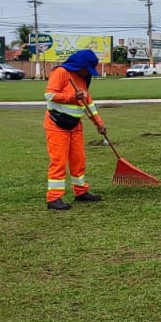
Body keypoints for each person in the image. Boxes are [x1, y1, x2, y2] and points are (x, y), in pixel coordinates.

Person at [43, 49, 108, 210]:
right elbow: (50, 96)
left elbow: (88, 104)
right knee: (58, 161)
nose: (87, 72)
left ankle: (81, 192)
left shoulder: (83, 79)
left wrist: (99, 123)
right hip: (57, 124)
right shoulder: (61, 72)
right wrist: (73, 97)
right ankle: (54, 198)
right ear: (79, 65)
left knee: (78, 160)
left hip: (75, 125)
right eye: (86, 69)